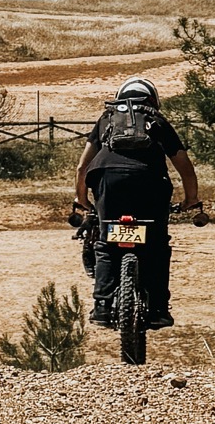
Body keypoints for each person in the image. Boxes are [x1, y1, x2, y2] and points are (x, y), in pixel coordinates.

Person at [73, 76, 199, 328]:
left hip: (107, 180)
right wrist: (191, 201)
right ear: (153, 98)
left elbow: (82, 167)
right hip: (149, 181)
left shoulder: (106, 119)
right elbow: (185, 167)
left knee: (107, 244)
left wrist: (82, 199)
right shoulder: (156, 120)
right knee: (156, 245)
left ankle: (102, 305)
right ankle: (158, 308)